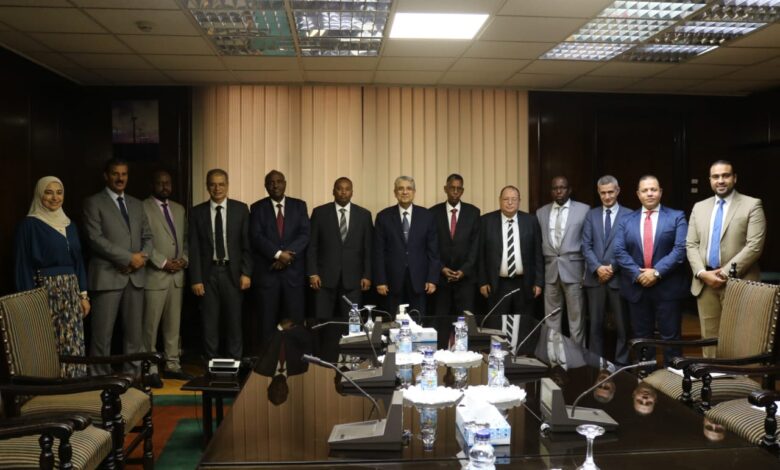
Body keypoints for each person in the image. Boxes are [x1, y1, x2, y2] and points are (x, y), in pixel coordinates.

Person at [686, 160, 766, 357]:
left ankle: (738, 378)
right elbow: (691, 244)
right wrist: (702, 273)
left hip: (740, 283)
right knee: (709, 342)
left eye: (725, 175)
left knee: (741, 341)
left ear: (734, 178)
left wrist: (722, 274)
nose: (720, 180)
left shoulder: (752, 205)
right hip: (705, 284)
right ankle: (711, 376)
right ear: (710, 180)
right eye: (716, 177)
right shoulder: (699, 207)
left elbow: (754, 246)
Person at [14, 176, 89, 378]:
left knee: (72, 337)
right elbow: (23, 266)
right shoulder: (29, 225)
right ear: (39, 195)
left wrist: (83, 295)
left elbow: (78, 262)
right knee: (47, 339)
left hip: (71, 291)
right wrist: (30, 301)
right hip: (44, 290)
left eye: (59, 192)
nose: (55, 198)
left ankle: (74, 381)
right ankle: (50, 384)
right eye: (48, 192)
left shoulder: (70, 225)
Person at [83, 158, 152, 375]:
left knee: (134, 335)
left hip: (135, 276)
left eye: (124, 174)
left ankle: (133, 375)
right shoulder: (93, 202)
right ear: (106, 176)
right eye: (115, 173)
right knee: (102, 335)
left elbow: (148, 237)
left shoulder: (137, 204)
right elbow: (95, 239)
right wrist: (128, 258)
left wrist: (140, 259)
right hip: (107, 276)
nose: (120, 178)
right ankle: (99, 377)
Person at [613, 175, 688, 367]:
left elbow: (680, 249)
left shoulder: (676, 216)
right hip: (637, 289)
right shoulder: (625, 220)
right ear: (638, 194)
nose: (649, 193)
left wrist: (656, 272)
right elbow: (619, 251)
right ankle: (645, 378)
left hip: (668, 288)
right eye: (645, 190)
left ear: (660, 192)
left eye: (653, 189)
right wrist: (638, 274)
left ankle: (673, 378)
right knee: (642, 339)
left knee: (671, 339)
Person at [189, 169, 253, 361]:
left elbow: (247, 244)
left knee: (234, 322)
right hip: (207, 275)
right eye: (213, 184)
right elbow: (193, 248)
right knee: (209, 323)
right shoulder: (197, 212)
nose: (217, 188)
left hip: (233, 273)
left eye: (221, 184)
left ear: (227, 185)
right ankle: (212, 364)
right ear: (207, 186)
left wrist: (246, 272)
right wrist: (196, 279)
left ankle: (235, 363)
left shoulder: (241, 209)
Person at [142, 170, 190, 386]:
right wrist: (162, 262)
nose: (164, 186)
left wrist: (184, 259)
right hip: (155, 275)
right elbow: (142, 240)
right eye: (160, 183)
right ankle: (150, 368)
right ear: (152, 184)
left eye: (167, 183)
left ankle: (172, 365)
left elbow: (186, 239)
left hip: (177, 276)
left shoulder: (179, 209)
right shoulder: (142, 207)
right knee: (150, 327)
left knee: (173, 325)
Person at [250, 170, 310, 342]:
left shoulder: (299, 206)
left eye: (278, 181)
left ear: (285, 183)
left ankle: (295, 357)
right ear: (265, 186)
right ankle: (267, 357)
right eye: (270, 182)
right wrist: (278, 255)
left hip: (293, 276)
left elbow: (305, 234)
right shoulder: (257, 208)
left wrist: (286, 257)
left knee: (295, 322)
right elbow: (256, 236)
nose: (275, 185)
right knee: (266, 322)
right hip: (267, 275)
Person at [478, 185, 543, 331]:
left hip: (524, 283)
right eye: (506, 199)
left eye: (514, 199)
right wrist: (482, 281)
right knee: (496, 325)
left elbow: (538, 253)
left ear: (519, 201)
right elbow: (480, 255)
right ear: (499, 200)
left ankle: (523, 346)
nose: (510, 202)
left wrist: (539, 282)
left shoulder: (531, 221)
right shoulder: (486, 221)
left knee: (524, 325)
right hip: (497, 284)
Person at [306, 177, 372, 320]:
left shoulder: (364, 215)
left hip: (354, 280)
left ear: (352, 192)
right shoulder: (319, 213)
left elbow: (368, 248)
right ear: (333, 191)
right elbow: (312, 246)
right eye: (339, 189)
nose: (343, 192)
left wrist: (367, 275)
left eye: (347, 189)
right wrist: (312, 273)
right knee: (322, 322)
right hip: (324, 279)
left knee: (353, 324)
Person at [374, 176, 440, 316]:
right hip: (392, 282)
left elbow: (433, 251)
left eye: (409, 188)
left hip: (419, 281)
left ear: (414, 192)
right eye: (400, 188)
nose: (405, 192)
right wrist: (380, 280)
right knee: (393, 322)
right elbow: (378, 252)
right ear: (395, 192)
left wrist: (432, 279)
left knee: (418, 321)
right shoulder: (383, 217)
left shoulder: (427, 216)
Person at [536, 176, 590, 346]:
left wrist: (586, 274)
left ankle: (578, 357)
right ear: (551, 191)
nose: (558, 191)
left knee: (576, 321)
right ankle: (554, 355)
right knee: (551, 320)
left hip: (574, 272)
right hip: (550, 272)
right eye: (555, 188)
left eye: (562, 188)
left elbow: (589, 243)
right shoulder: (541, 212)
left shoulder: (583, 210)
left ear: (569, 190)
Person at [582, 175, 630, 365]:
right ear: (598, 193)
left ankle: (621, 365)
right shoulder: (591, 215)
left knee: (622, 327)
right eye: (603, 193)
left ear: (618, 191)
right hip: (595, 279)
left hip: (619, 279)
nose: (607, 196)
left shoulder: (629, 215)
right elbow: (586, 246)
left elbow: (629, 246)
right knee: (595, 326)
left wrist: (612, 268)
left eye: (610, 192)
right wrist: (597, 268)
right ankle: (595, 364)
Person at [430, 174, 481, 316]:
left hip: (466, 280)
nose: (455, 191)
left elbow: (475, 246)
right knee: (440, 321)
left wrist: (464, 270)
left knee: (465, 322)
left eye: (459, 188)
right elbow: (431, 246)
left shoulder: (473, 212)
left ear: (462, 191)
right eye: (452, 188)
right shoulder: (433, 213)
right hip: (441, 279)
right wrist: (441, 268)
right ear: (445, 189)